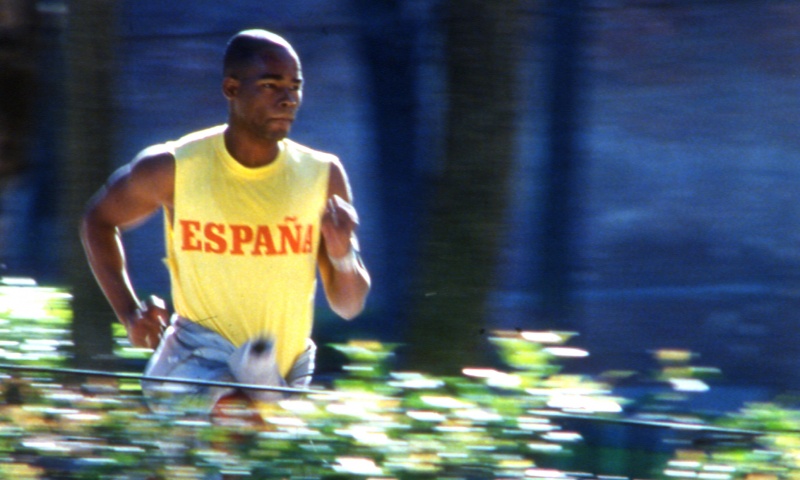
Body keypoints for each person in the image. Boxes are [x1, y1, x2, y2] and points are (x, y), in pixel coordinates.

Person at [80, 29, 371, 412]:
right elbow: (98, 221)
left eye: (295, 87)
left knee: (257, 426)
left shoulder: (322, 175)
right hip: (200, 363)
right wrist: (129, 313)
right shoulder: (174, 167)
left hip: (281, 377)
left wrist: (342, 252)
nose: (288, 99)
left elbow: (349, 305)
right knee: (234, 417)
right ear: (231, 88)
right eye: (270, 85)